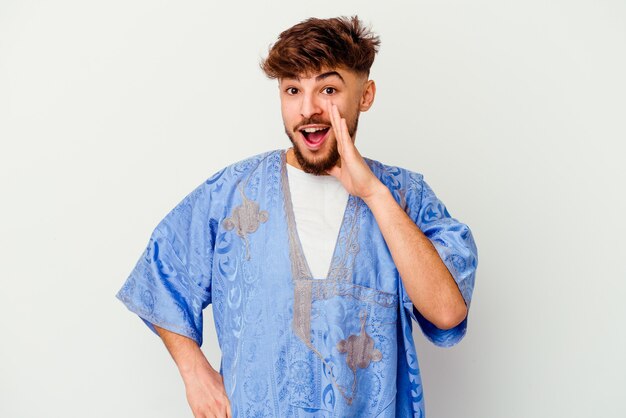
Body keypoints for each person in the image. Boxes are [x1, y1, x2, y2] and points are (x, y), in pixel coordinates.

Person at [116, 15, 478, 418]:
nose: (308, 109)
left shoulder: (406, 196)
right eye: (292, 89)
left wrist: (373, 193)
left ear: (366, 95)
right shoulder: (231, 196)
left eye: (328, 88)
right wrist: (194, 372)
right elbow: (160, 274)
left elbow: (447, 311)